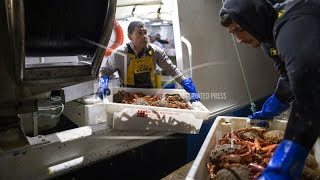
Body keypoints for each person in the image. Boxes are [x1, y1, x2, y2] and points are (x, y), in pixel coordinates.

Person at [219, 0, 320, 179]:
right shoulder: (267, 37)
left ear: (254, 19)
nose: (239, 40)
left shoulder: (292, 27)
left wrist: (284, 163)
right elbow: (288, 75)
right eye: (232, 33)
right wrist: (275, 103)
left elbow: (311, 94)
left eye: (239, 29)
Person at [98, 21, 200, 103]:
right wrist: (103, 84)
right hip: (127, 97)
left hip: (151, 97)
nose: (144, 36)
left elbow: (171, 69)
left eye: (145, 32)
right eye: (139, 33)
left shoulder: (155, 51)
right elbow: (105, 71)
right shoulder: (120, 54)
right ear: (130, 36)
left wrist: (187, 85)